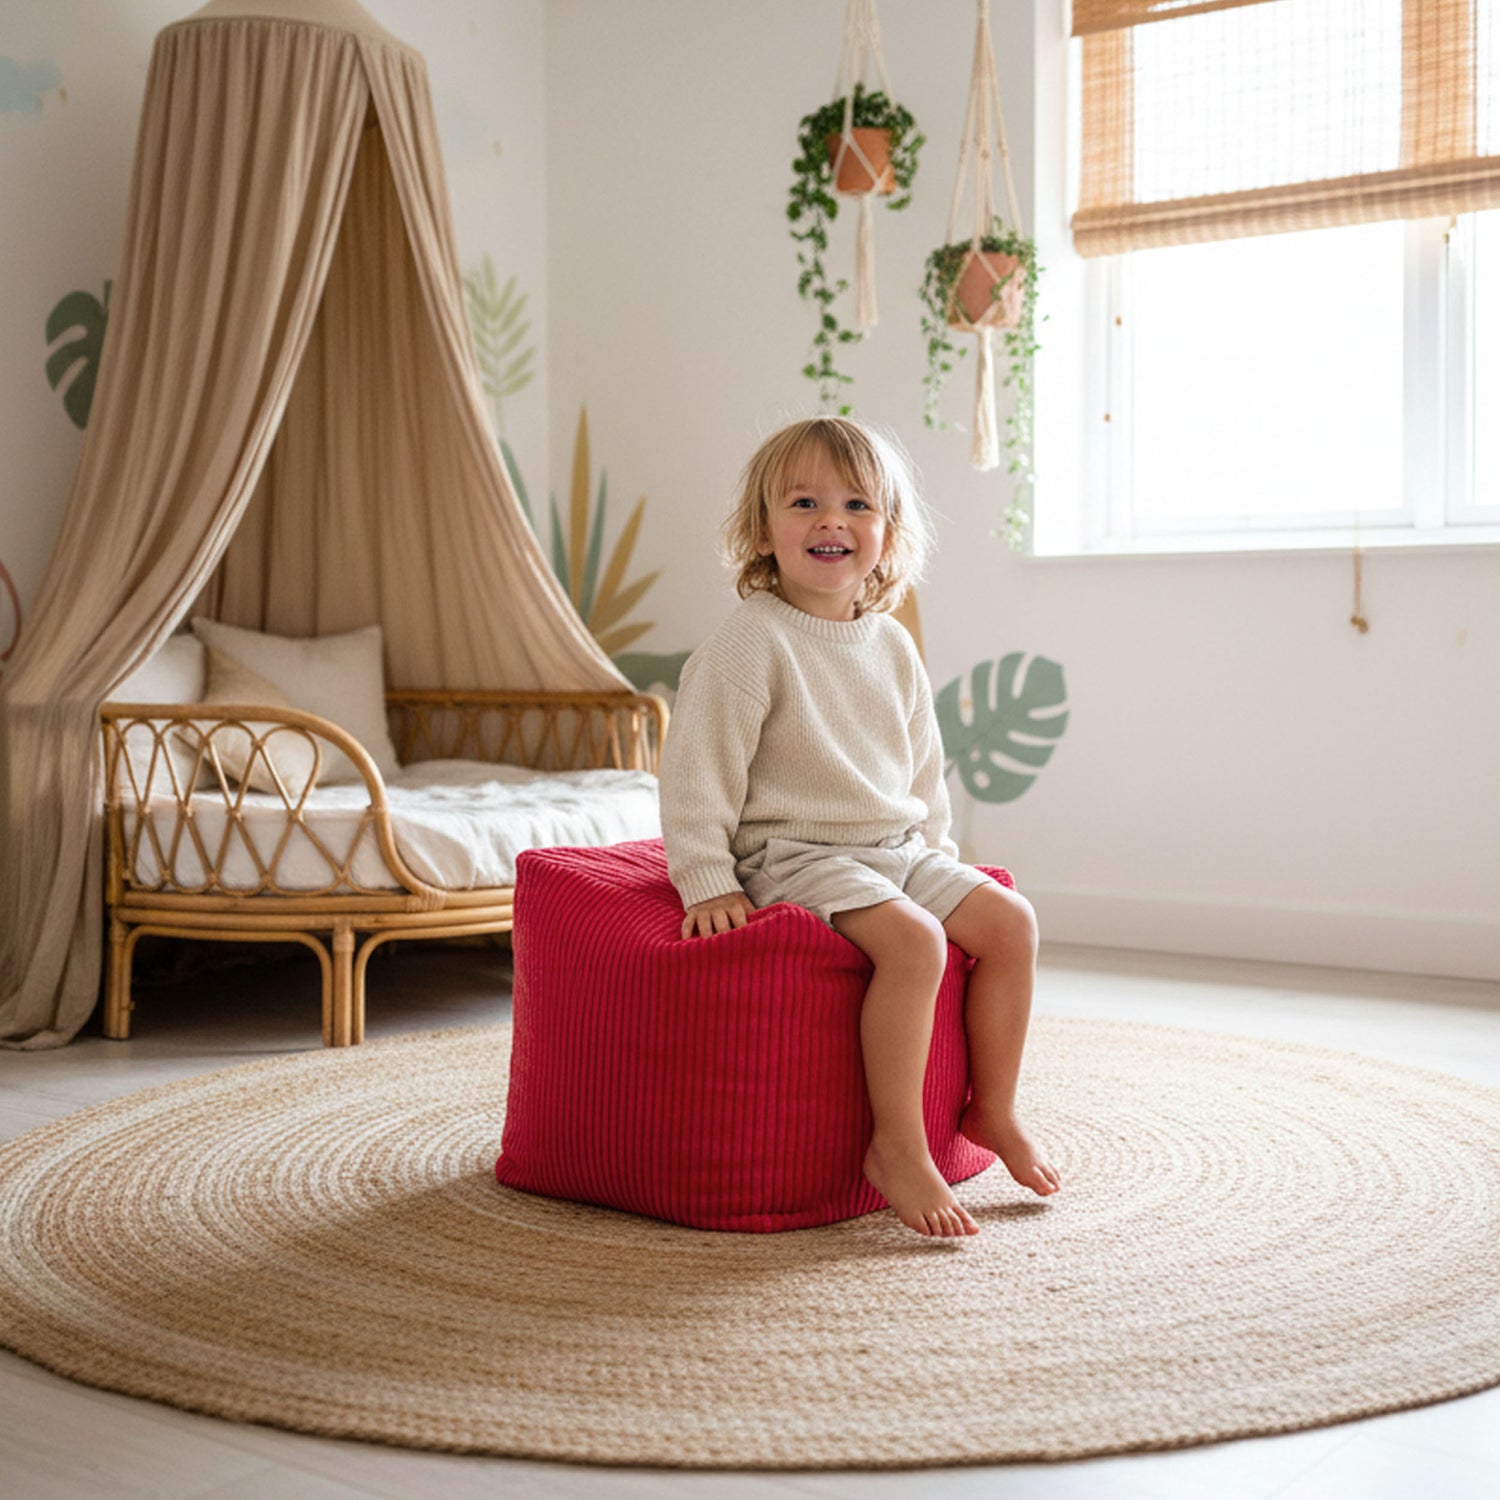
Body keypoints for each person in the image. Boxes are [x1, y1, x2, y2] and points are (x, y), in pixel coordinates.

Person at [658, 415, 1058, 1239]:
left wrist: (942, 866)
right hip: (794, 853)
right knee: (914, 944)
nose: (830, 520)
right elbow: (698, 769)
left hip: (894, 849)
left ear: (887, 532)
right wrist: (705, 876)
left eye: (856, 504)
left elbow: (921, 770)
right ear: (763, 532)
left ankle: (995, 1111)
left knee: (1009, 921)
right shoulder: (751, 640)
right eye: (803, 502)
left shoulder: (890, 644)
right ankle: (898, 1145)